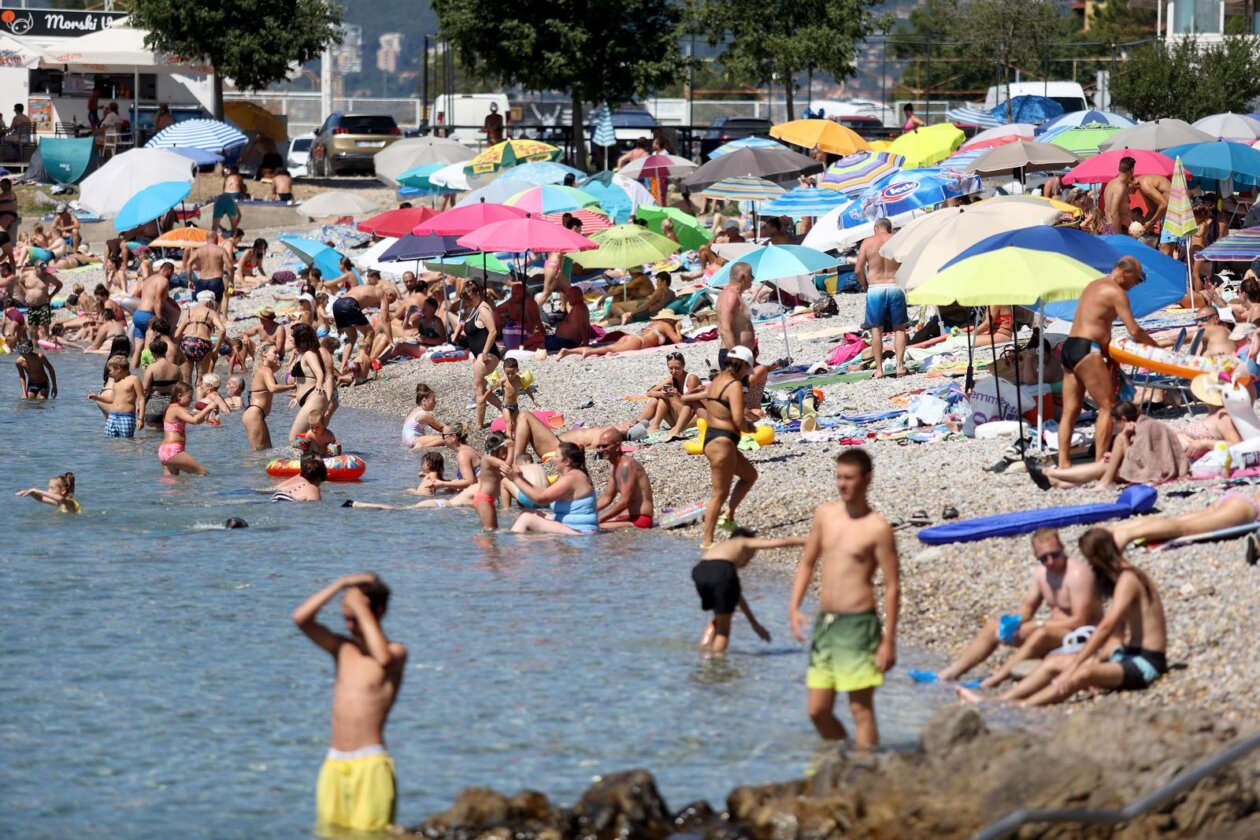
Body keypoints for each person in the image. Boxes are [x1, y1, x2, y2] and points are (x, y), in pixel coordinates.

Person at [959, 528, 1166, 707]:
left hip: (1145, 663)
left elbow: (1106, 626)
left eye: (1090, 559)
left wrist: (1077, 665)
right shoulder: (1120, 579)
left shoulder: (1129, 579)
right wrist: (1098, 659)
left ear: (1097, 558)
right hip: (1125, 654)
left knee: (1081, 675)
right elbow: (1118, 631)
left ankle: (1023, 705)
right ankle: (1001, 700)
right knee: (1054, 663)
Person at [789, 448, 899, 747]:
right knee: (817, 710)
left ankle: (864, 772)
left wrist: (888, 641)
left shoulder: (877, 528)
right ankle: (844, 758)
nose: (842, 484)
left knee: (860, 709)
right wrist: (794, 606)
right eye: (839, 477)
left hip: (859, 625)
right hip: (826, 624)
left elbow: (892, 586)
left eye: (849, 478)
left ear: (867, 479)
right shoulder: (825, 515)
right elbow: (808, 562)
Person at [292, 573, 406, 833]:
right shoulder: (342, 649)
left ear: (379, 611)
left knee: (372, 834)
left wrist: (360, 608)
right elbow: (301, 618)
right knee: (331, 833)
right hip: (334, 763)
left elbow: (383, 658)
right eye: (346, 617)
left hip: (371, 764)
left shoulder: (396, 652)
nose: (350, 624)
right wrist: (339, 585)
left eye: (355, 617)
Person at [927, 528, 1101, 688]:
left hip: (1082, 635)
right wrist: (1012, 623)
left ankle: (994, 680)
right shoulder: (1042, 573)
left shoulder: (1078, 574)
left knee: (1040, 633)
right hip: (1052, 631)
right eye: (1043, 558)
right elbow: (1028, 608)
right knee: (993, 627)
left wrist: (1040, 625)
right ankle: (949, 674)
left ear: (1062, 548)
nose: (1050, 561)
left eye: (1054, 555)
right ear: (1036, 556)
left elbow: (1080, 620)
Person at [1058, 257, 1157, 470]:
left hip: (1070, 347)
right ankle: (1100, 463)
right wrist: (1156, 349)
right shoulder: (1116, 292)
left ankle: (1063, 463)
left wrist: (1110, 356)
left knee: (1070, 411)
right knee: (1107, 406)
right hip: (1086, 349)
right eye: (1137, 280)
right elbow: (1135, 330)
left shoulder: (1093, 285)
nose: (1135, 285)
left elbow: (1099, 325)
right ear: (1125, 272)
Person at [683, 346, 758, 548]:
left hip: (714, 439)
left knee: (750, 475)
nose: (746, 373)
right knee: (719, 494)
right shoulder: (733, 385)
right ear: (742, 365)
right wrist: (751, 428)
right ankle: (707, 541)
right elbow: (738, 418)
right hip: (722, 442)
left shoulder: (716, 381)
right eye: (746, 368)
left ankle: (728, 516)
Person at [693, 527, 805, 654]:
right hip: (722, 572)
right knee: (724, 630)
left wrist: (754, 624)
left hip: (699, 571)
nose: (750, 560)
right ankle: (718, 666)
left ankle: (703, 653)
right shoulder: (744, 542)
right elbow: (783, 541)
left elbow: (737, 596)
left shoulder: (722, 548)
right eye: (752, 555)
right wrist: (811, 540)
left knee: (719, 618)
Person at [507, 442, 601, 535]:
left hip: (581, 531)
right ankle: (523, 544)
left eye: (556, 456)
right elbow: (545, 493)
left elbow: (541, 499)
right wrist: (521, 479)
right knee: (527, 512)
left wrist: (516, 480)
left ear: (567, 461)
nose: (553, 459)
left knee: (526, 518)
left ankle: (515, 547)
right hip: (570, 526)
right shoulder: (571, 475)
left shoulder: (572, 477)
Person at [856, 219, 906, 378]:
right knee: (899, 328)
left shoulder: (867, 242)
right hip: (895, 286)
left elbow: (858, 269)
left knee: (876, 329)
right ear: (890, 228)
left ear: (875, 228)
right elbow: (906, 263)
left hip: (876, 288)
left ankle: (879, 370)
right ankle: (900, 366)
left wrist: (864, 285)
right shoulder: (898, 240)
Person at [453, 283, 501, 429]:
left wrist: (485, 352)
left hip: (487, 355)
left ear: (477, 294)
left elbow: (493, 331)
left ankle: (479, 425)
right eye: (465, 298)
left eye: (469, 297)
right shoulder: (475, 309)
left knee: (478, 388)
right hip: (480, 354)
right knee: (483, 388)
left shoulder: (484, 310)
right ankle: (506, 408)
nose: (467, 301)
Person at [556, 311, 684, 358]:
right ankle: (586, 352)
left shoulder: (654, 324)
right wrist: (678, 328)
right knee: (606, 349)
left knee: (606, 348)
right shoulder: (666, 325)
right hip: (637, 342)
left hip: (631, 338)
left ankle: (569, 351)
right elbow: (679, 342)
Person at [594, 429, 655, 528]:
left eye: (604, 446)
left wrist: (601, 518)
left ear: (617, 446)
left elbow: (625, 501)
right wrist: (584, 512)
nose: (600, 450)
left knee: (595, 526)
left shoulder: (627, 465)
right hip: (626, 517)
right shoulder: (614, 466)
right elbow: (607, 498)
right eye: (599, 446)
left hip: (640, 519)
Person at [159, 382, 217, 476]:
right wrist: (208, 407)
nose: (191, 400)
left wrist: (208, 411)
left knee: (173, 486)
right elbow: (194, 420)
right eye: (189, 397)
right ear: (179, 396)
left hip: (165, 451)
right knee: (203, 473)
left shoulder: (172, 408)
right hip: (173, 450)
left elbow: (197, 419)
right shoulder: (177, 409)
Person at [640, 351, 702, 435]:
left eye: (677, 368)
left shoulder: (691, 378)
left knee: (668, 394)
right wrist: (662, 394)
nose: (673, 371)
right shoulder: (671, 378)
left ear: (683, 366)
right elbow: (650, 392)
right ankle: (639, 423)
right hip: (678, 418)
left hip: (691, 418)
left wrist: (676, 395)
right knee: (658, 397)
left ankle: (655, 425)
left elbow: (692, 404)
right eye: (671, 368)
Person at [288, 323, 331, 444]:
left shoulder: (309, 354)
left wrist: (318, 384)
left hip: (314, 396)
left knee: (294, 438)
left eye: (292, 336)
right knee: (308, 437)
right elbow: (302, 378)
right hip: (309, 398)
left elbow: (319, 373)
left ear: (300, 337)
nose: (290, 338)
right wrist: (297, 395)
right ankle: (317, 457)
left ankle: (301, 461)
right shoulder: (301, 354)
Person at [174, 290, 227, 382]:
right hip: (203, 344)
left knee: (186, 380)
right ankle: (200, 396)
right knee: (201, 380)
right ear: (210, 302)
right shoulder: (211, 313)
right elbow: (222, 330)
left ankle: (188, 396)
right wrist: (216, 350)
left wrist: (177, 350)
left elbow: (177, 335)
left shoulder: (189, 312)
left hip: (187, 344)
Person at [130, 260, 175, 369]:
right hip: (148, 315)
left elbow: (136, 294)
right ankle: (149, 373)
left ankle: (133, 372)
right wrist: (160, 320)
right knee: (149, 347)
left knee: (138, 348)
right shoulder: (163, 281)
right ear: (169, 271)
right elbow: (157, 300)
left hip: (137, 315)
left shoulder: (148, 279)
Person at [90, 355, 145, 438]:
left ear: (118, 369)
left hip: (126, 417)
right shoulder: (116, 381)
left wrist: (141, 418)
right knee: (110, 443)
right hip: (112, 416)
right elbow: (112, 399)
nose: (109, 373)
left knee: (126, 443)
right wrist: (97, 398)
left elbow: (141, 399)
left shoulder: (134, 380)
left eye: (111, 370)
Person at [717, 264, 756, 372]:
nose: (753, 278)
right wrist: (735, 357)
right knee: (738, 388)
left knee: (746, 388)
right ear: (743, 276)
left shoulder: (735, 296)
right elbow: (724, 329)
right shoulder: (730, 296)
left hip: (740, 354)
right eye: (751, 275)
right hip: (733, 355)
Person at [140, 336, 183, 430]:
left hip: (154, 403)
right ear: (166, 350)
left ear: (152, 353)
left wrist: (139, 406)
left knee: (153, 438)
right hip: (171, 404)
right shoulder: (176, 368)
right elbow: (181, 389)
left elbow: (145, 389)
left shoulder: (151, 368)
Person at [189, 231, 233, 315]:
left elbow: (189, 264)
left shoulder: (200, 250)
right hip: (219, 278)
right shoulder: (223, 248)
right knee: (222, 299)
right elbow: (230, 265)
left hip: (202, 280)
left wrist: (190, 279)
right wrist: (231, 281)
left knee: (203, 306)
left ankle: (207, 322)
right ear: (216, 239)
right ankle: (223, 318)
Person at [18, 261, 63, 344]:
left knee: (45, 333)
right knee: (32, 332)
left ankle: (47, 352)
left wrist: (51, 296)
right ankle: (36, 351)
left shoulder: (48, 276)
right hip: (31, 307)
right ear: (35, 267)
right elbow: (20, 282)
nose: (43, 271)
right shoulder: (27, 275)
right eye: (41, 269)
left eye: (44, 269)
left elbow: (59, 284)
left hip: (43, 306)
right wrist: (26, 292)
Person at [402, 383, 446, 449]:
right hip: (414, 440)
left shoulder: (414, 411)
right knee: (446, 439)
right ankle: (419, 446)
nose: (435, 402)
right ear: (424, 401)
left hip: (406, 441)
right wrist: (458, 429)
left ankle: (420, 445)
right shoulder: (424, 414)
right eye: (433, 400)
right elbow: (441, 428)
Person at [16, 471, 80, 514]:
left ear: (63, 490)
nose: (48, 491)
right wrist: (31, 493)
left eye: (51, 488)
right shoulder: (59, 503)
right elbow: (41, 498)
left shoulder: (70, 503)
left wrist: (36, 490)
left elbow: (61, 498)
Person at [1103, 155, 1136, 235]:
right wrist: (1119, 235)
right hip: (1117, 229)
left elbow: (1106, 208)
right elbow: (1114, 212)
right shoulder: (1119, 187)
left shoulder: (1111, 183)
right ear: (1131, 170)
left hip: (1110, 227)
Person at [1135, 173, 1171, 237]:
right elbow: (1152, 210)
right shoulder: (1140, 187)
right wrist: (1141, 228)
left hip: (1173, 211)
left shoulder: (1144, 185)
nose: (1128, 192)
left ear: (1130, 182)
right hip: (1169, 212)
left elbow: (1164, 205)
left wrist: (1151, 222)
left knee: (1165, 246)